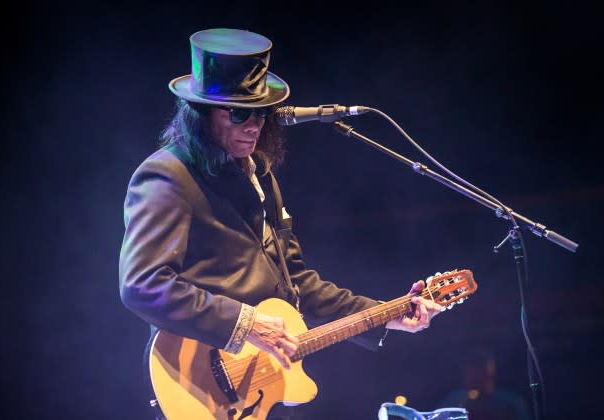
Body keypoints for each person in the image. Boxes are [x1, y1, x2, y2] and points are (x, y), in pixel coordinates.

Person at [119, 27, 442, 419]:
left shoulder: (260, 174)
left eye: (261, 113)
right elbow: (142, 284)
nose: (254, 124)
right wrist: (245, 324)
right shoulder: (168, 175)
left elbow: (298, 284)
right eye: (239, 113)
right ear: (202, 114)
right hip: (202, 380)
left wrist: (387, 314)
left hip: (263, 386)